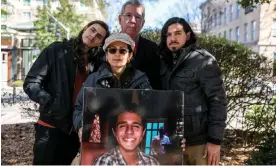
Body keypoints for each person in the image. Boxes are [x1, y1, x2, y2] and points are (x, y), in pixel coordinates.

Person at [23, 20, 110, 165]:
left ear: (100, 43)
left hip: (75, 131)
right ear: (85, 28)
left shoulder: (97, 63)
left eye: (99, 36)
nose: (93, 35)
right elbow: (31, 83)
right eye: (92, 30)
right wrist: (50, 102)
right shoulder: (57, 50)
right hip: (50, 127)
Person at [159, 17, 227, 165]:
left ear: (188, 35)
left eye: (177, 33)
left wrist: (215, 140)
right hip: (169, 140)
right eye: (168, 35)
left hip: (198, 141)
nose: (173, 38)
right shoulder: (162, 61)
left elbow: (218, 100)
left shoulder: (203, 60)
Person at [73, 32, 152, 142]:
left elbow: (151, 112)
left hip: (131, 140)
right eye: (112, 50)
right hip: (99, 140)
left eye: (122, 50)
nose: (117, 54)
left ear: (129, 56)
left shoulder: (141, 81)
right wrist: (81, 126)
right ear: (106, 55)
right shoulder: (93, 79)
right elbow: (79, 108)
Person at [93, 105, 160, 165]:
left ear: (143, 133)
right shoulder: (104, 162)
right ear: (114, 132)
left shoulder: (152, 163)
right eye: (122, 126)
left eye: (136, 126)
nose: (129, 131)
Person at [118, 0, 160, 89]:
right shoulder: (106, 45)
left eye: (137, 17)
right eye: (128, 15)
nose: (133, 21)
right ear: (120, 19)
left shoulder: (152, 49)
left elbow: (156, 83)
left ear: (143, 23)